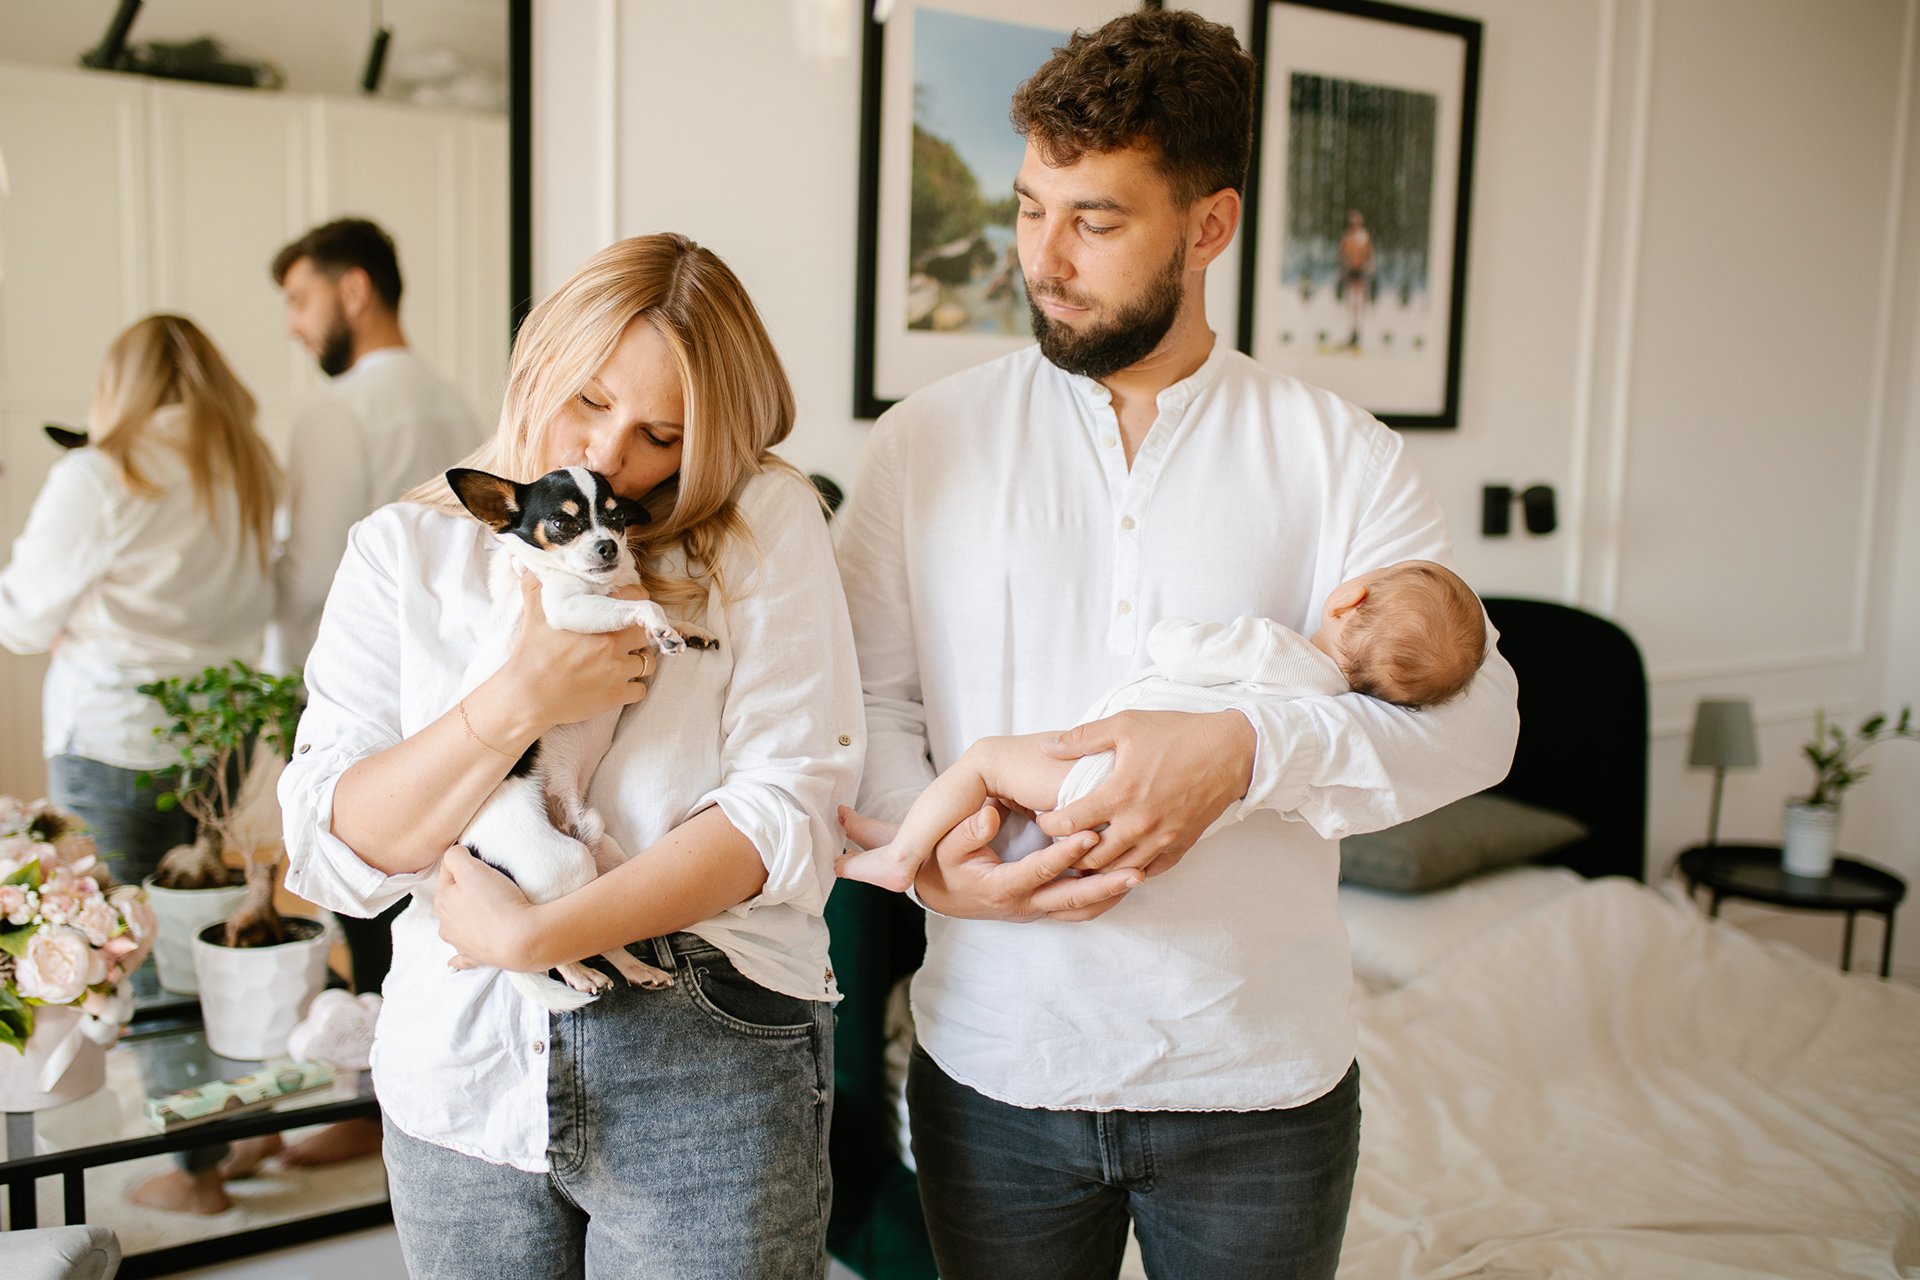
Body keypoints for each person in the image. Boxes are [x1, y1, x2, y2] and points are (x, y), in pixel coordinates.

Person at [833, 11, 1519, 1279]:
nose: (1043, 258)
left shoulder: (1338, 453)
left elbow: (1478, 723)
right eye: (1029, 208)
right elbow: (864, 705)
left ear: (1210, 226)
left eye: (1094, 221)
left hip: (1259, 1085)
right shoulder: (923, 441)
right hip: (995, 1070)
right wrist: (935, 864)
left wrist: (1244, 749)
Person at [278, 232, 861, 1279]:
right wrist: (521, 697)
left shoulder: (762, 522)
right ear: (538, 358)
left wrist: (544, 930)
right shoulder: (402, 549)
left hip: (705, 1055)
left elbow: (786, 809)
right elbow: (338, 846)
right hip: (462, 1062)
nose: (606, 454)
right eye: (588, 399)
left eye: (660, 435)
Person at [837, 561, 1487, 892]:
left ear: (1350, 598)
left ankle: (902, 856)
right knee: (1007, 814)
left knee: (985, 761)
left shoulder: (1270, 647)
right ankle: (910, 839)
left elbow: (1175, 646)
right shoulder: (1330, 706)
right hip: (1141, 833)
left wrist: (1179, 627)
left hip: (1099, 772)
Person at [0, 314, 278, 890]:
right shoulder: (250, 471)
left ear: (119, 386)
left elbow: (20, 622)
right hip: (222, 739)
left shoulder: (101, 475)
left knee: (114, 923)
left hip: (118, 738)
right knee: (188, 918)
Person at [268, 217, 479, 672]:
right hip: (447, 669)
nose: (292, 327)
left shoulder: (334, 410)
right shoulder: (456, 404)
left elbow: (309, 579)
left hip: (351, 672)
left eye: (300, 302)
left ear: (354, 291)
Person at [1339, 208, 1376, 349]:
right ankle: (1351, 330)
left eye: (1357, 222)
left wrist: (1369, 267)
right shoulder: (1347, 236)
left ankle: (1359, 330)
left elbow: (1369, 253)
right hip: (1351, 272)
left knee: (1360, 301)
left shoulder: (1364, 237)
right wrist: (1343, 267)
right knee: (1351, 300)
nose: (1354, 225)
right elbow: (1342, 253)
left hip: (1361, 272)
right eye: (1352, 223)